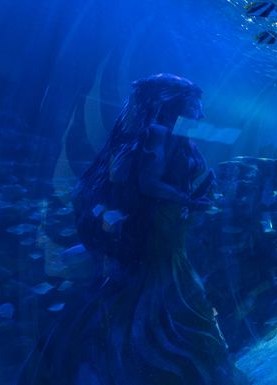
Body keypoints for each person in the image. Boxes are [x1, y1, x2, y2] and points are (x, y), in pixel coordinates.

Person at [19, 74, 244, 385]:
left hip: (162, 238)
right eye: (195, 105)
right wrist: (188, 199)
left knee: (147, 306)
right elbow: (148, 183)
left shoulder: (154, 137)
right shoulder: (157, 134)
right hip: (158, 240)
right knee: (159, 310)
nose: (201, 114)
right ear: (171, 104)